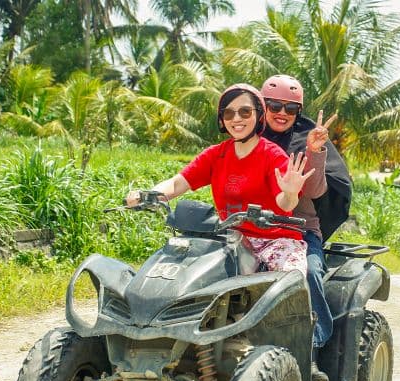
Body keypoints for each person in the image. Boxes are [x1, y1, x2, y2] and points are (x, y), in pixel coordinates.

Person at [126, 83, 323, 275]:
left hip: (275, 241)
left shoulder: (272, 155)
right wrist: (148, 195)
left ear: (259, 115)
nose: (236, 118)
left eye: (245, 112)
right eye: (229, 113)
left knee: (291, 279)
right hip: (229, 240)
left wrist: (289, 192)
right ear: (222, 119)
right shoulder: (216, 155)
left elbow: (286, 204)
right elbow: (178, 182)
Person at [260, 75, 353, 381]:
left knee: (309, 272)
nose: (281, 113)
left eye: (290, 108)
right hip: (249, 230)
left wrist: (314, 151)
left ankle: (310, 353)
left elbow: (314, 190)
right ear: (262, 106)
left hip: (297, 232)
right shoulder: (247, 136)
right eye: (274, 105)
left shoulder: (306, 140)